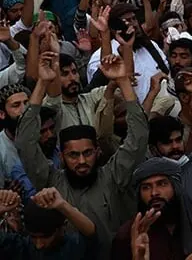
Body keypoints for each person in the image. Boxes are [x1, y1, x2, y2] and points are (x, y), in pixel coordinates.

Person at [16, 52, 148, 259]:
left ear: (97, 151)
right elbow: (25, 143)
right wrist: (42, 83)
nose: (82, 161)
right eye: (73, 155)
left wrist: (122, 81)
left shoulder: (113, 176)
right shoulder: (51, 182)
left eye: (87, 153)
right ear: (62, 156)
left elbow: (138, 137)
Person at [112, 157, 192, 259]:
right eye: (146, 187)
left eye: (162, 184)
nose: (154, 193)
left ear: (175, 187)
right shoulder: (127, 235)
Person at [0, 187, 98, 256]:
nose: (39, 245)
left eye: (46, 236)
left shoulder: (74, 248)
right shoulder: (22, 248)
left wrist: (63, 205)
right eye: (34, 237)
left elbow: (90, 233)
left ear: (62, 227)